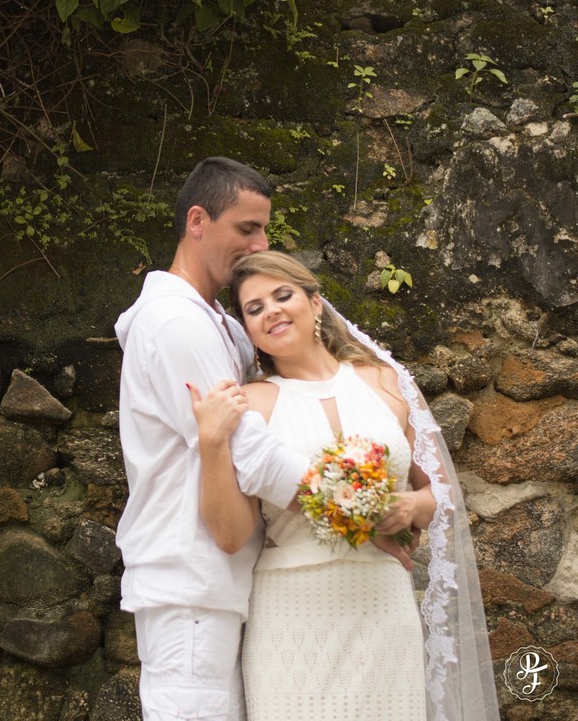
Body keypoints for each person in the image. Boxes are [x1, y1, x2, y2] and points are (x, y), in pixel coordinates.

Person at [191, 251, 499, 721]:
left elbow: (439, 492)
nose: (271, 310)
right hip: (290, 613)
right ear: (248, 331)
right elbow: (231, 535)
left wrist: (410, 506)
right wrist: (212, 442)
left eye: (282, 295)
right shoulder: (250, 405)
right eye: (254, 308)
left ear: (315, 303)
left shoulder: (386, 381)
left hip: (382, 605)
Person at [114, 157, 320, 721]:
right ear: (198, 221)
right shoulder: (174, 323)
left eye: (265, 229)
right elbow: (247, 451)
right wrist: (358, 509)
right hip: (190, 586)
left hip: (222, 583)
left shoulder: (220, 324)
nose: (260, 245)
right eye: (247, 228)